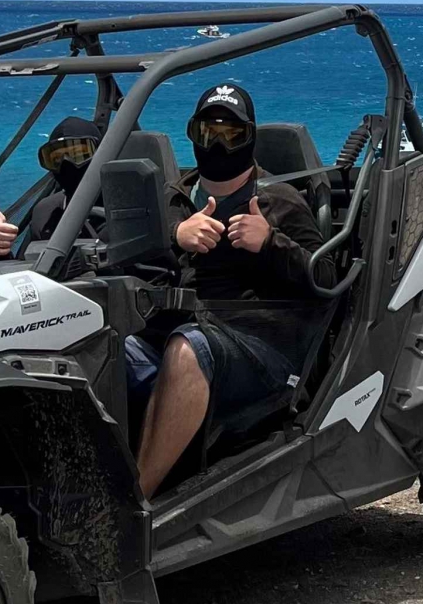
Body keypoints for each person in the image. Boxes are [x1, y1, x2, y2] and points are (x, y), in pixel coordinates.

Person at [129, 83, 335, 499]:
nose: (219, 143)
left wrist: (270, 242)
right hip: (173, 330)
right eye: (209, 133)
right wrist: (174, 234)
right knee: (102, 346)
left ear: (250, 138)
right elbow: (126, 260)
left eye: (232, 133)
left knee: (187, 349)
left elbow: (329, 279)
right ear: (193, 135)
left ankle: (134, 505)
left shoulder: (280, 199)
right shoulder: (175, 199)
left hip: (260, 348)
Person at [0, 116, 104, 267]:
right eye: (56, 159)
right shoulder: (46, 214)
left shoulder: (132, 204)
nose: (67, 164)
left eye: (78, 154)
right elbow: (23, 277)